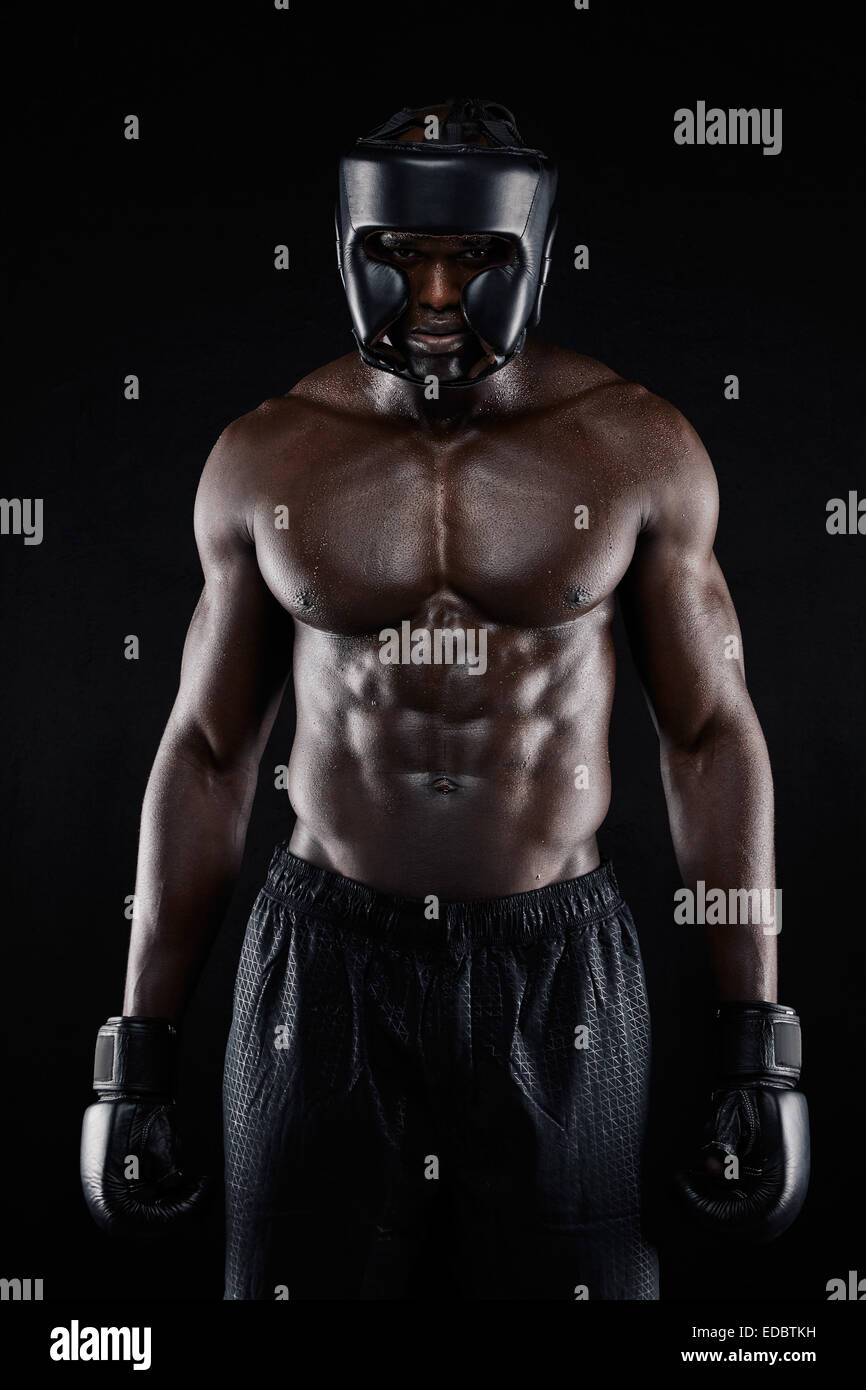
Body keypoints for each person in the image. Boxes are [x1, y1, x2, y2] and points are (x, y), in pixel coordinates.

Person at [81, 98, 809, 1301]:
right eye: (400, 257)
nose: (429, 298)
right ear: (347, 245)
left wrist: (759, 1044)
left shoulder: (631, 446)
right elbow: (210, 754)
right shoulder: (269, 454)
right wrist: (133, 1056)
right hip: (323, 960)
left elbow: (707, 734)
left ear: (531, 251)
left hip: (554, 963)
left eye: (467, 261)